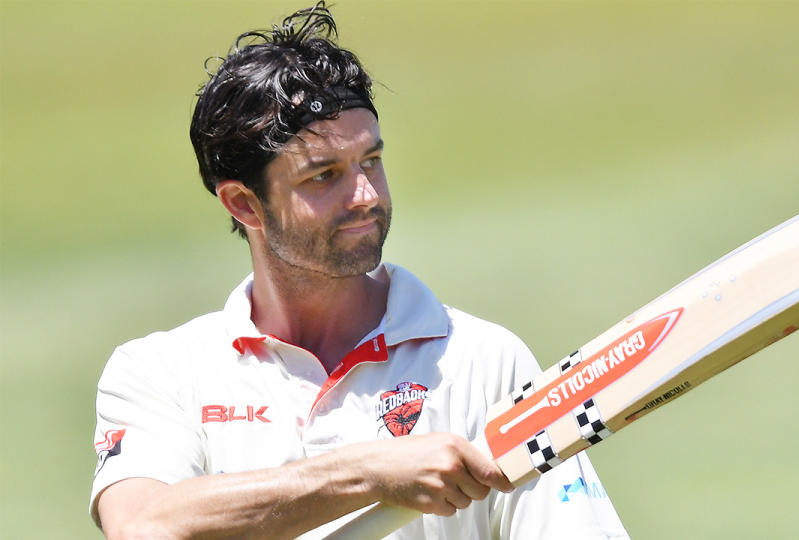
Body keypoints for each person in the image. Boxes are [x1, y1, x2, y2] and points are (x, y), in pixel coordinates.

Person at [90, 4, 628, 539]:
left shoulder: (486, 362)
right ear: (244, 205)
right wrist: (368, 472)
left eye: (371, 160)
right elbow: (142, 526)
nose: (366, 196)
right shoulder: (159, 373)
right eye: (324, 176)